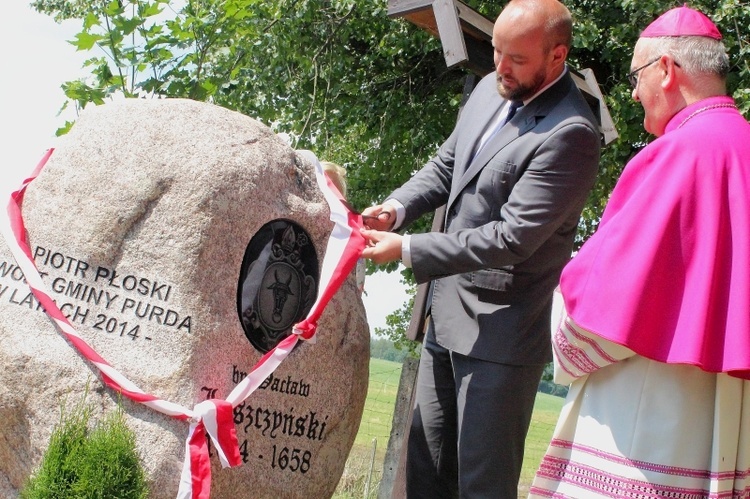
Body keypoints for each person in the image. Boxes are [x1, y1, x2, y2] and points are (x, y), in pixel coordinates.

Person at [360, 0, 601, 496]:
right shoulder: (491, 94)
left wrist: (408, 248)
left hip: (501, 340)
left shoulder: (571, 133)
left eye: (517, 58)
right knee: (425, 476)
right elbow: (448, 165)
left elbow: (511, 238)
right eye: (497, 52)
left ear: (557, 57)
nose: (501, 68)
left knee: (481, 487)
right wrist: (396, 208)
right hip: (444, 321)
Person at [529, 5, 750, 498]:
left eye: (636, 75)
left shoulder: (678, 154)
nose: (632, 92)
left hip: (643, 427)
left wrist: (565, 318)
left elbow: (605, 306)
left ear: (667, 70)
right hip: (733, 421)